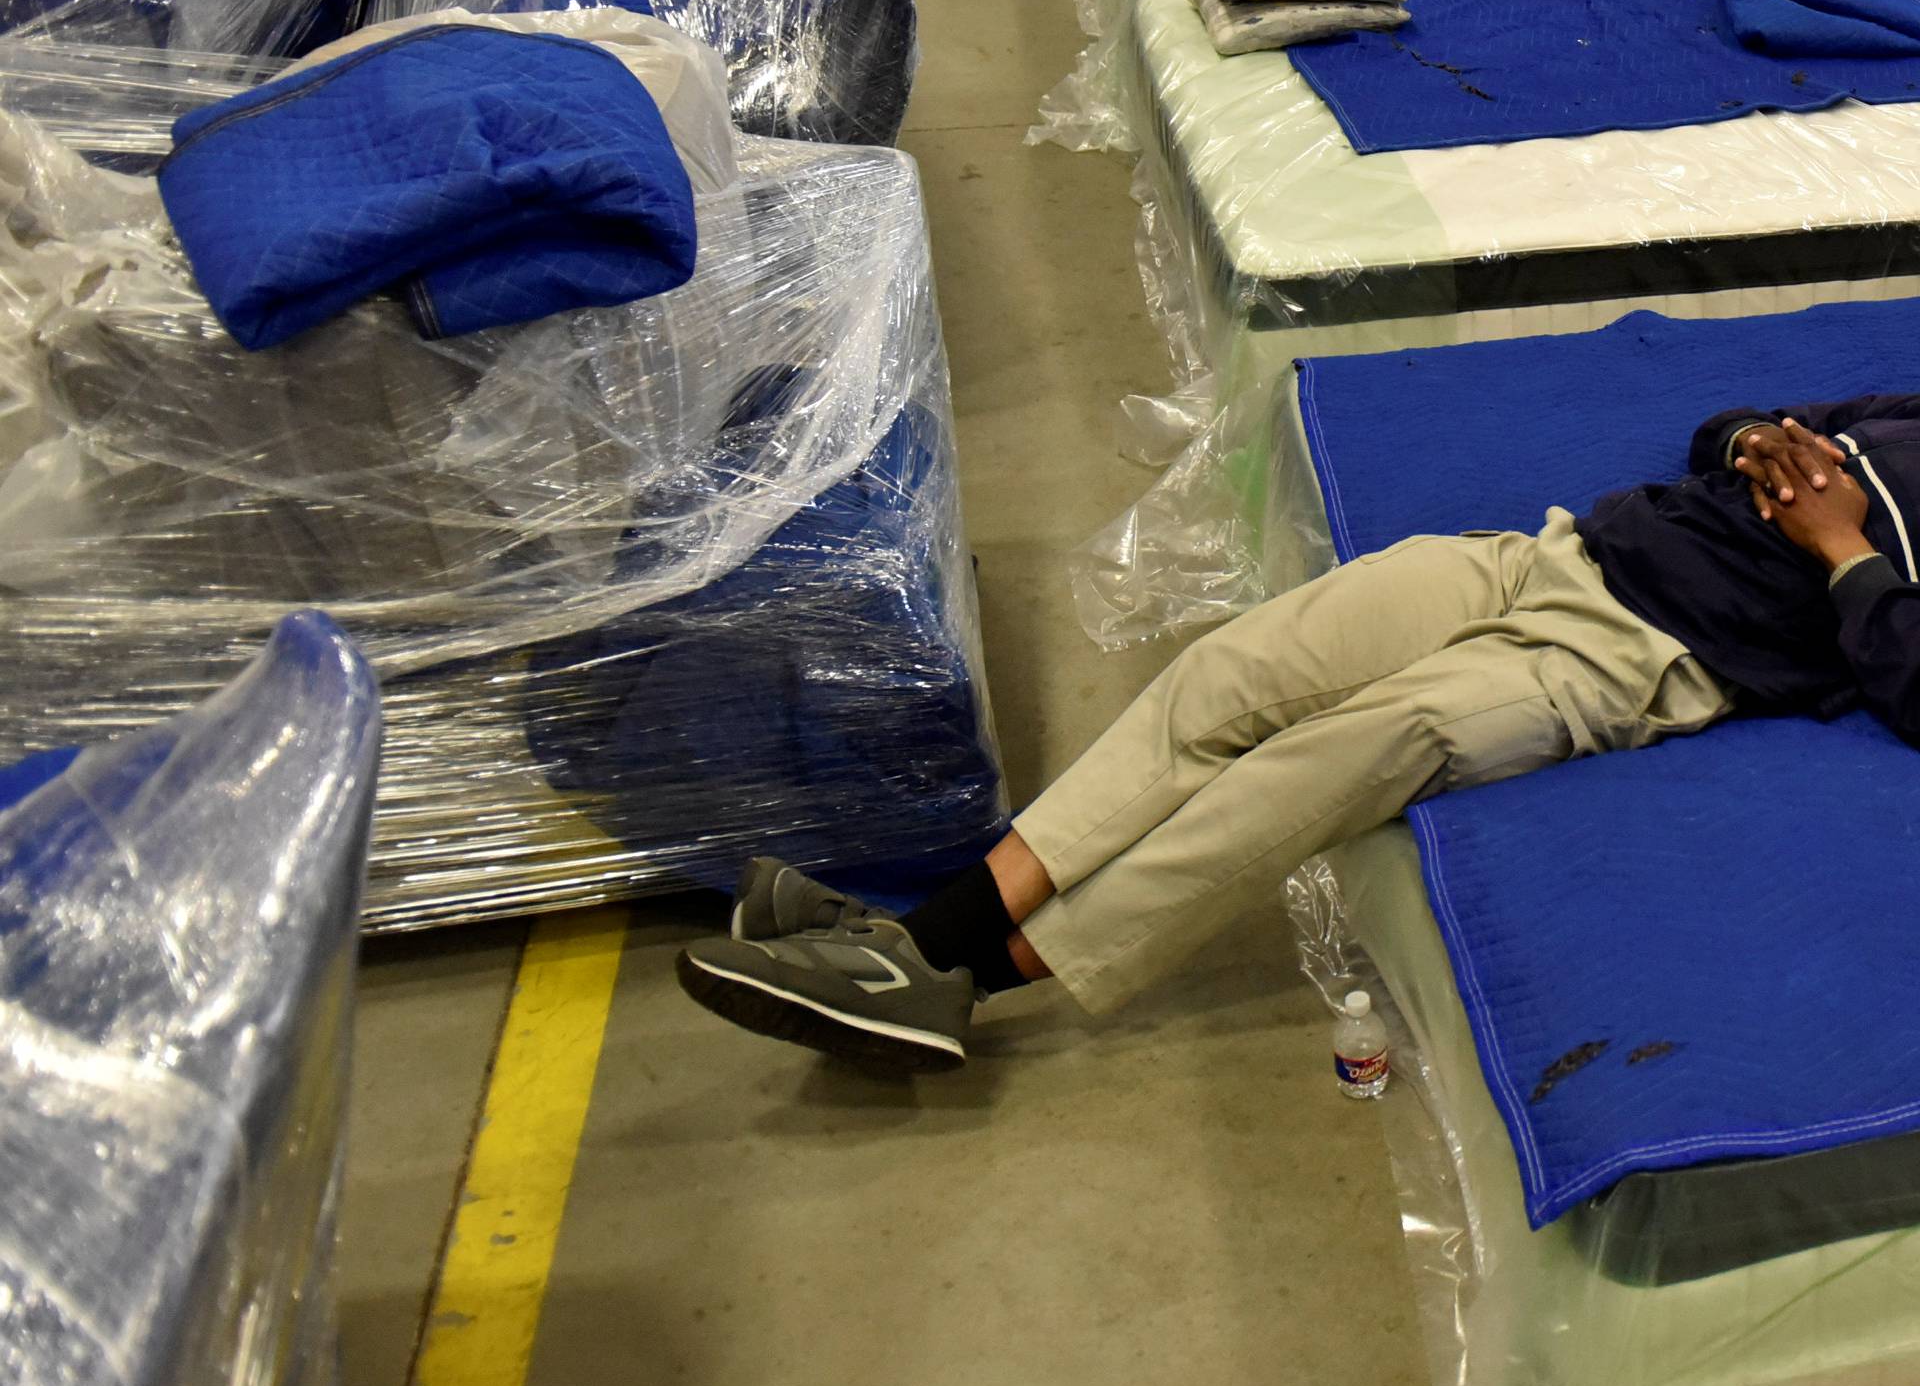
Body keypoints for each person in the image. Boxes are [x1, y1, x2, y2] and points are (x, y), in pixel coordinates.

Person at [678, 406, 1920, 1071]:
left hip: (1636, 662)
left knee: (1346, 749)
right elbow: (1726, 429)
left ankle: (966, 978)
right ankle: (918, 940)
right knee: (1234, 674)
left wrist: (1845, 550)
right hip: (1548, 555)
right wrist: (1751, 440)